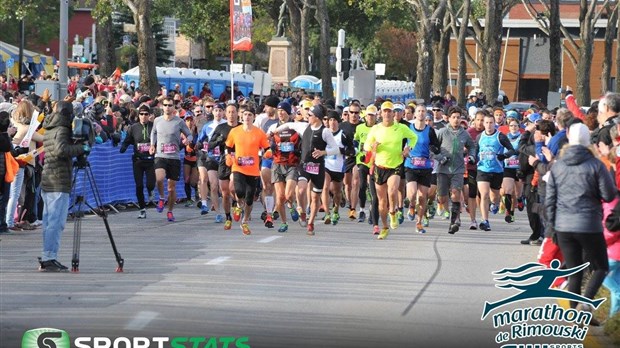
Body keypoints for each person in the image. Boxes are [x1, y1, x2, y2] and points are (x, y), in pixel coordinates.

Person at [545, 122, 617, 314]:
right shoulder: (596, 165)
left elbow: (550, 200)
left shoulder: (557, 166)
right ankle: (586, 303)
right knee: (601, 266)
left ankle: (574, 312)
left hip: (563, 225)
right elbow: (609, 195)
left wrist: (552, 227)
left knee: (574, 271)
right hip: (589, 224)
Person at [39, 101, 89, 272]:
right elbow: (61, 150)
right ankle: (49, 256)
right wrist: (81, 147)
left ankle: (48, 254)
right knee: (56, 221)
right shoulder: (61, 129)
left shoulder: (51, 126)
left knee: (49, 221)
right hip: (58, 180)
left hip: (49, 177)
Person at [364, 101, 418, 240]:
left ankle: (393, 212)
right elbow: (366, 147)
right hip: (379, 167)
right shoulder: (375, 129)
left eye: (390, 111)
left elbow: (414, 137)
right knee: (381, 202)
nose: (387, 114)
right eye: (385, 111)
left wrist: (408, 148)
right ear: (380, 114)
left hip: (396, 165)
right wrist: (373, 147)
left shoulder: (400, 128)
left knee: (392, 190)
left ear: (393, 113)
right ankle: (384, 226)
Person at [224, 107, 270, 235]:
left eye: (250, 114)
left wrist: (268, 153)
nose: (247, 117)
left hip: (253, 170)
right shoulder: (235, 131)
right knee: (239, 191)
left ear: (253, 117)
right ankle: (238, 206)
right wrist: (228, 156)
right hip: (238, 167)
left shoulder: (259, 133)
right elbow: (228, 146)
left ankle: (244, 221)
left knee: (250, 198)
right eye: (245, 114)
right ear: (241, 116)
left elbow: (267, 147)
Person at [149, 97, 193, 222]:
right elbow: (153, 133)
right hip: (160, 155)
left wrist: (186, 140)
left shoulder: (179, 122)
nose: (167, 107)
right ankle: (162, 198)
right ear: (162, 107)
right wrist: (152, 145)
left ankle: (170, 211)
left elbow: (189, 134)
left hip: (174, 157)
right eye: (165, 105)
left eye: (170, 105)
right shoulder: (157, 120)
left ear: (174, 107)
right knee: (159, 178)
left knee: (171, 188)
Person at [436, 106, 476, 234]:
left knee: (455, 194)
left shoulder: (464, 133)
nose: (456, 120)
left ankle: (454, 222)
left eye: (458, 117)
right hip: (443, 169)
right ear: (448, 118)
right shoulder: (442, 132)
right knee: (442, 197)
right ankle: (441, 204)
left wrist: (472, 156)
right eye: (453, 117)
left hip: (458, 169)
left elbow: (472, 146)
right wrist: (439, 157)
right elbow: (432, 147)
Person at [474, 112, 516, 232]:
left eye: (491, 123)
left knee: (495, 196)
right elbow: (475, 150)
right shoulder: (479, 137)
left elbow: (512, 150)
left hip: (497, 170)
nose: (488, 125)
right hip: (482, 169)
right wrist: (472, 157)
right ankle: (485, 221)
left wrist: (504, 155)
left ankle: (496, 204)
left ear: (494, 123)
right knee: (484, 195)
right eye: (486, 122)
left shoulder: (500, 136)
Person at [404, 104, 440, 234]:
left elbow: (437, 147)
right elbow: (402, 143)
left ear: (426, 114)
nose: (420, 113)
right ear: (414, 114)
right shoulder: (408, 128)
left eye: (423, 111)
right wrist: (404, 151)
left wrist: (433, 150)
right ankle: (411, 206)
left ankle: (419, 222)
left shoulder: (429, 130)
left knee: (423, 197)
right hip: (411, 165)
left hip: (425, 166)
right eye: (418, 111)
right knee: (412, 193)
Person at [120, 104, 155, 219]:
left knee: (150, 184)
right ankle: (142, 209)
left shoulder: (154, 127)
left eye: (146, 114)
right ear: (138, 115)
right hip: (138, 160)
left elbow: (160, 140)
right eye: (141, 114)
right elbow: (127, 140)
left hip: (151, 161)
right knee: (139, 185)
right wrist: (123, 147)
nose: (143, 116)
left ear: (149, 115)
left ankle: (150, 191)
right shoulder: (133, 127)